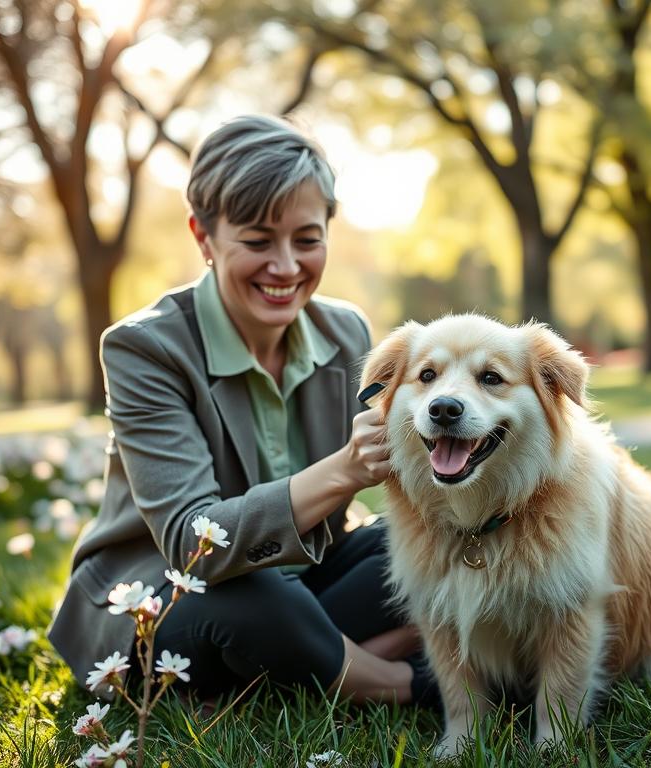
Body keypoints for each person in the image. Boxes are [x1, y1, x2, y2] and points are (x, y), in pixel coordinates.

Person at [48, 115, 431, 706]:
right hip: (167, 603)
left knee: (423, 537)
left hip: (302, 587)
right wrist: (345, 470)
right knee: (257, 600)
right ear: (203, 235)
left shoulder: (346, 329)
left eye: (307, 240)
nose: (285, 267)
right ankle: (402, 683)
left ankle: (293, 666)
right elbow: (189, 543)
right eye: (256, 241)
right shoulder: (143, 348)